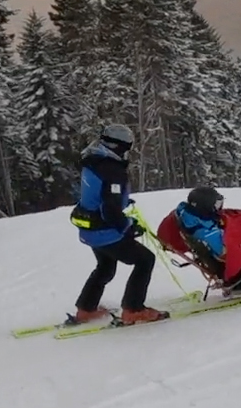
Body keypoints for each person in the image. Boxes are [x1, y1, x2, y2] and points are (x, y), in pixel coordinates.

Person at [68, 124, 167, 326]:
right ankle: (133, 309)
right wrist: (128, 227)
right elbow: (110, 210)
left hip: (89, 228)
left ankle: (86, 309)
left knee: (105, 266)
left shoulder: (93, 161)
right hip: (104, 230)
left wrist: (122, 204)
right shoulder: (112, 170)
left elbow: (101, 196)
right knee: (145, 260)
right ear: (120, 147)